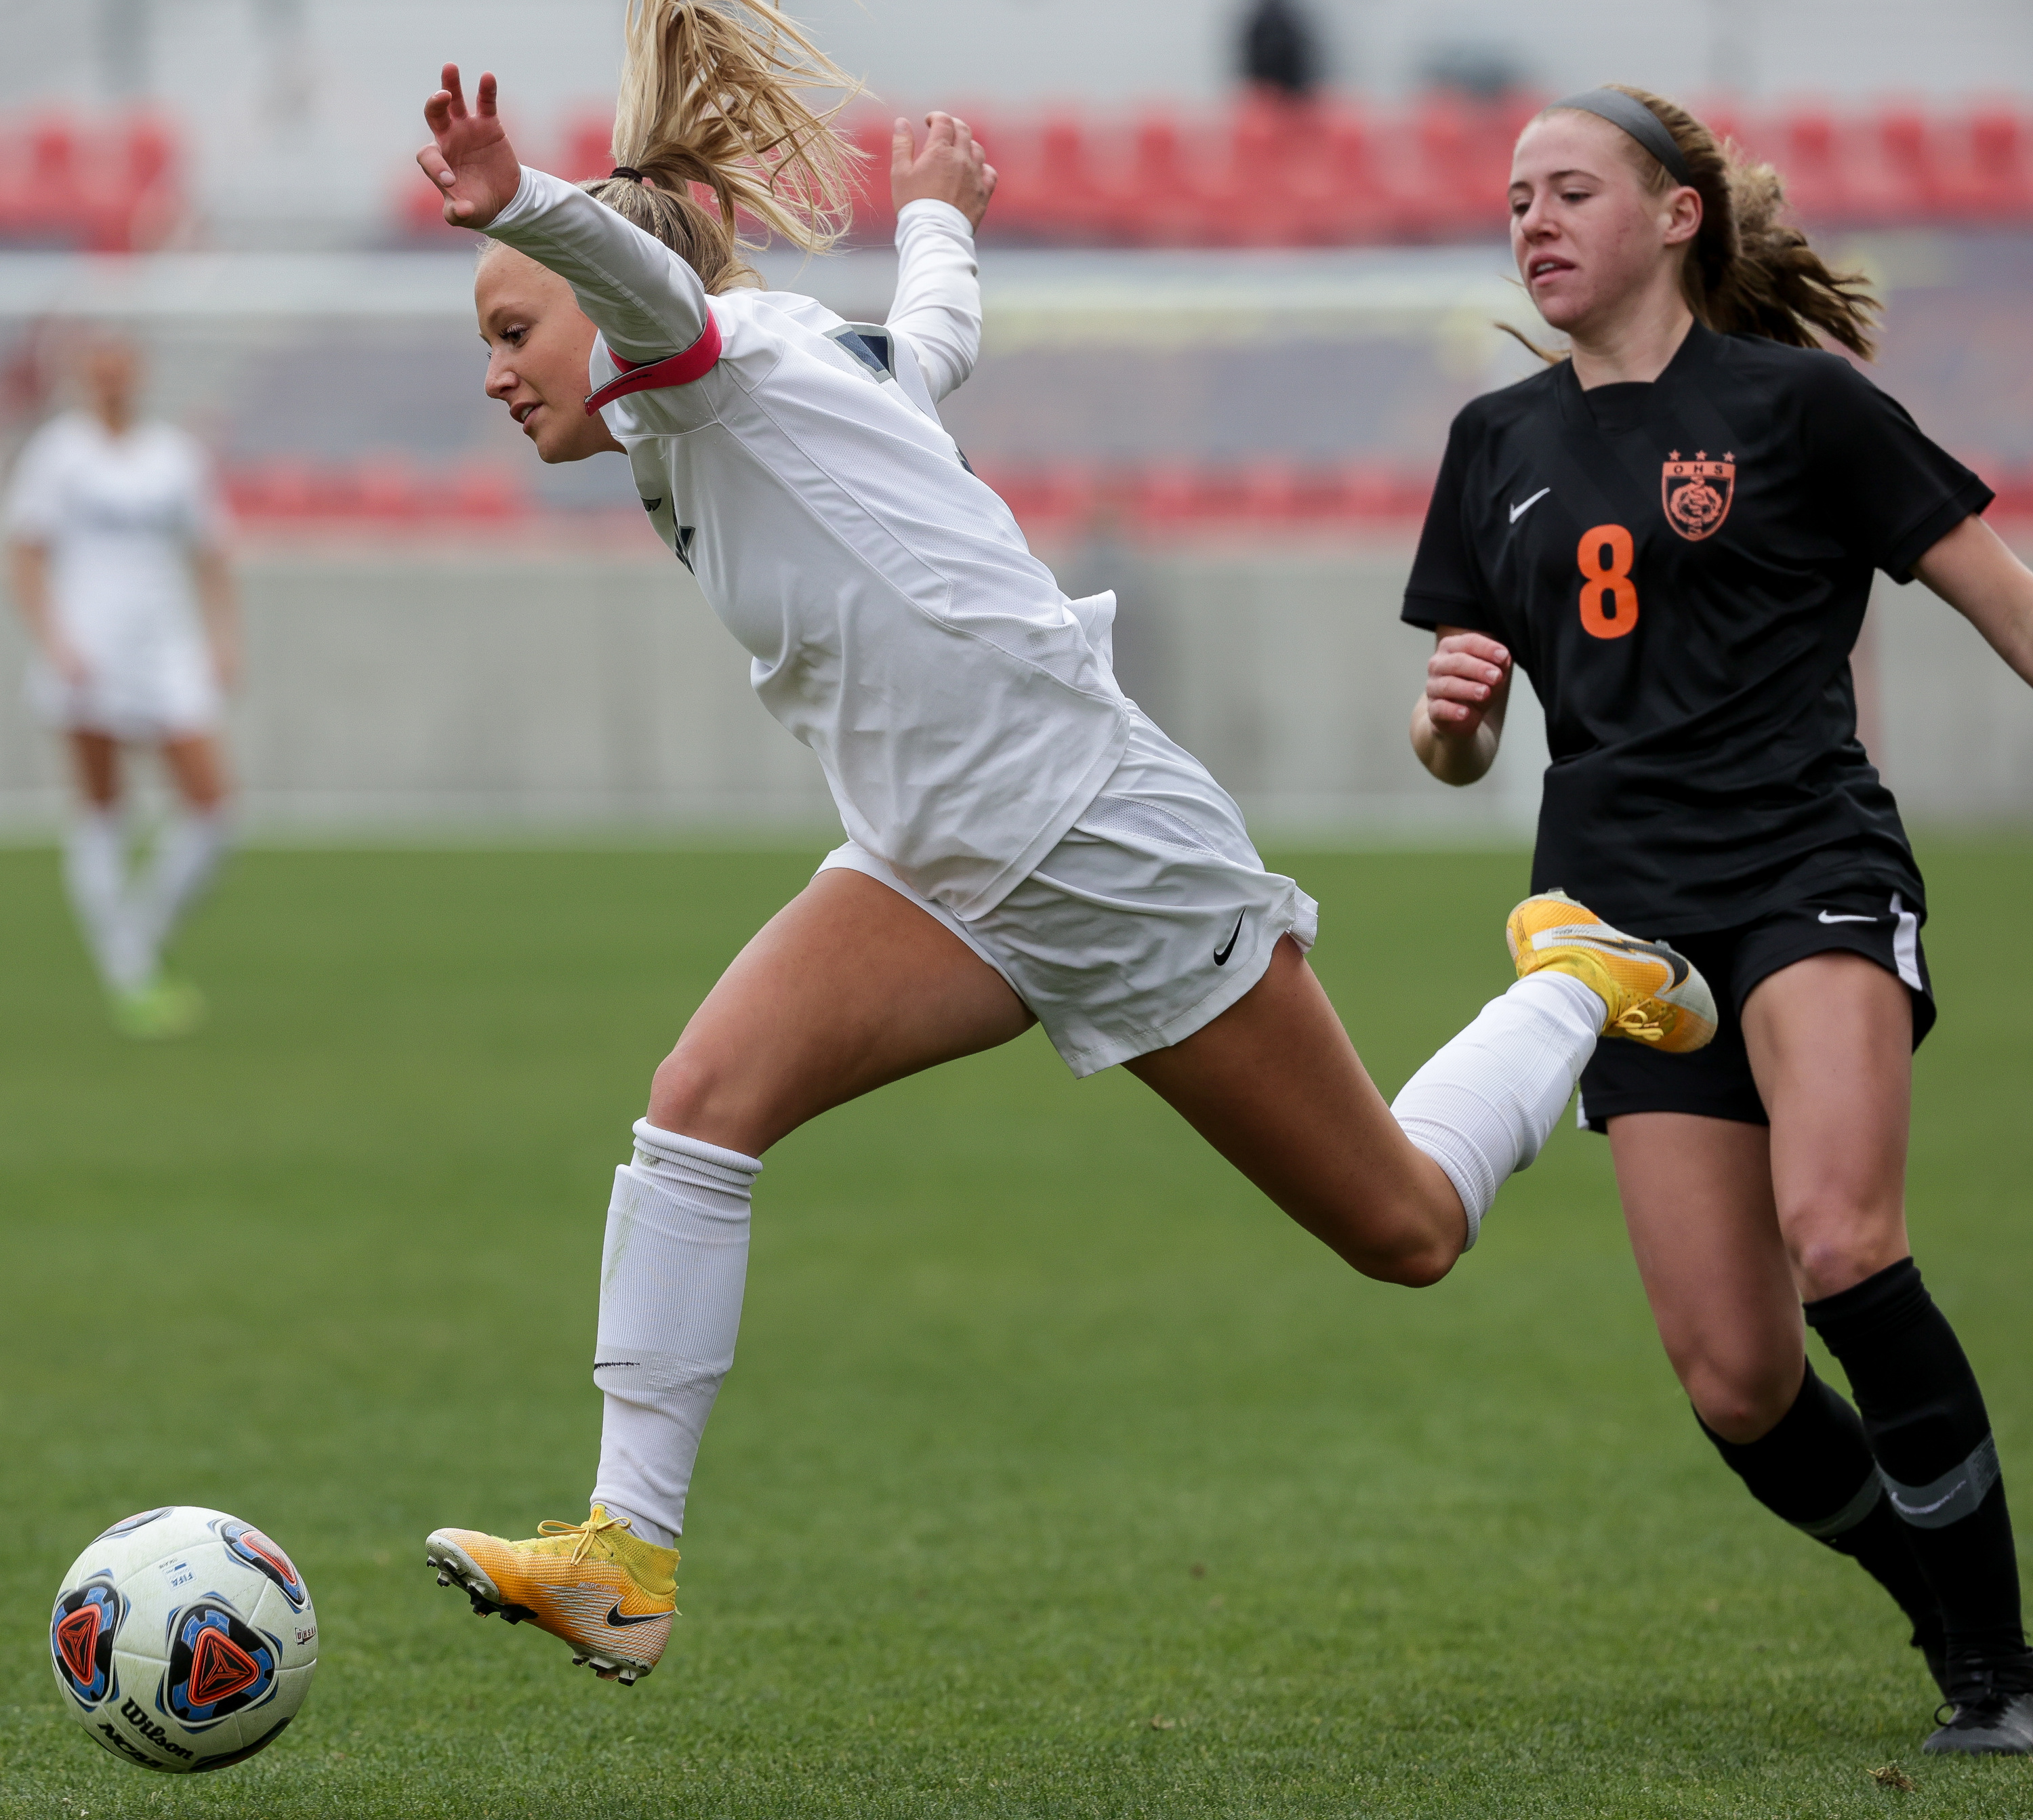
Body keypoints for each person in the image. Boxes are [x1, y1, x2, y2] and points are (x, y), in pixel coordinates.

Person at [408, 3, 1717, 1690]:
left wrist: (523, 197)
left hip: (1094, 842)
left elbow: (648, 288)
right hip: (935, 859)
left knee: (1402, 1226)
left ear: (608, 300)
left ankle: (1575, 982)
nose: (497, 371)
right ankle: (625, 1552)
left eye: (515, 324)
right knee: (698, 1106)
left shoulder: (705, 358)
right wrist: (936, 214)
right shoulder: (780, 375)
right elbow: (932, 341)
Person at [1403, 84, 2033, 1756]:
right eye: (1516, 199)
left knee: (1841, 1238)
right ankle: (1943, 1602)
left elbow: (2005, 602)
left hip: (1806, 863)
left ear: (1677, 215)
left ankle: (1999, 1671)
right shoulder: (1493, 442)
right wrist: (1454, 720)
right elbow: (1455, 747)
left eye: (1570, 191)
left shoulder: (1800, 406)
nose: (1533, 222)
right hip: (1619, 929)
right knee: (1738, 1382)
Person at [4, 333, 237, 1038]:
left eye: (120, 369)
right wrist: (55, 641)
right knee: (104, 806)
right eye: (98, 370)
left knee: (213, 809)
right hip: (91, 651)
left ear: (138, 373)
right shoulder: (58, 454)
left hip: (167, 649)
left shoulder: (174, 456)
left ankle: (137, 933)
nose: (110, 381)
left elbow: (210, 551)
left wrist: (223, 638)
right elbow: (26, 553)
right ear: (83, 377)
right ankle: (128, 970)